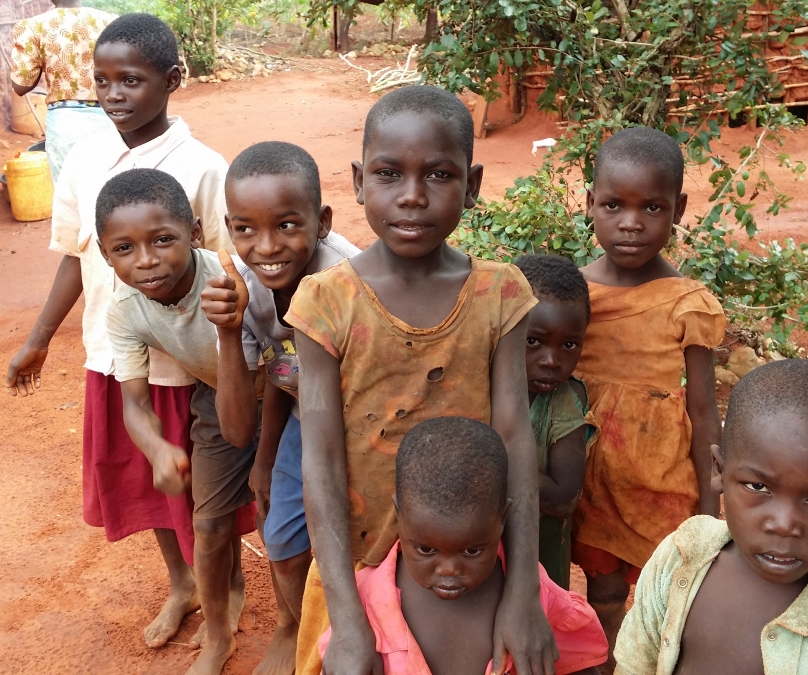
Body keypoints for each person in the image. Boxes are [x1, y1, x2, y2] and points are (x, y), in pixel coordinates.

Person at [285, 85, 557, 675]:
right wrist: (347, 618)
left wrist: (522, 594)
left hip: (470, 565)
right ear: (359, 181)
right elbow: (321, 459)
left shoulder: (499, 294)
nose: (412, 195)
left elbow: (515, 439)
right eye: (388, 174)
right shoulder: (325, 303)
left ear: (473, 184)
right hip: (357, 566)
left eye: (438, 174)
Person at [3, 12, 233, 654]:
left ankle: (225, 591)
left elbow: (229, 263)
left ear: (172, 80)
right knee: (146, 475)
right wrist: (40, 338)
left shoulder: (203, 168)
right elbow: (75, 255)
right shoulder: (82, 158)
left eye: (130, 80)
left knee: (206, 489)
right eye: (102, 81)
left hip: (188, 362)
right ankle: (183, 583)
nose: (113, 95)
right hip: (114, 354)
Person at [615, 360, 808, 674]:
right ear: (719, 471)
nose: (784, 524)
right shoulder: (680, 556)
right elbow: (634, 665)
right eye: (758, 486)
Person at [572, 126, 726, 670]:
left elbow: (704, 413)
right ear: (590, 203)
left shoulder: (687, 303)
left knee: (671, 590)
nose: (631, 223)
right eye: (613, 205)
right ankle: (604, 659)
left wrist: (711, 515)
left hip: (657, 479)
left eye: (652, 207)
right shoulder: (573, 296)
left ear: (678, 209)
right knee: (603, 589)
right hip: (585, 477)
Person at [204, 140, 360, 675]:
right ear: (229, 228)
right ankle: (294, 626)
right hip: (300, 420)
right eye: (245, 229)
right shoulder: (243, 289)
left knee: (363, 540)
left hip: (366, 425)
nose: (266, 246)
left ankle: (357, 633)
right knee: (284, 544)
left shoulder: (352, 280)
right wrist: (229, 334)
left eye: (287, 225)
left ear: (323, 222)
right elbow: (248, 414)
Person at [98, 168, 258, 675]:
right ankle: (218, 634)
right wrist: (157, 449)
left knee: (294, 514)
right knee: (207, 523)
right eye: (124, 249)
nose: (146, 260)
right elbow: (134, 404)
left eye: (162, 240)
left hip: (286, 391)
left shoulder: (234, 277)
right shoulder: (125, 311)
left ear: (194, 233)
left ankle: (295, 626)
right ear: (104, 254)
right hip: (218, 398)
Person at [317, 417, 608, 675]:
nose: (449, 570)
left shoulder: (538, 601)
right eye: (426, 550)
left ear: (502, 518)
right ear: (399, 515)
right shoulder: (363, 607)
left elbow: (579, 665)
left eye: (471, 551)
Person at [513, 254, 597, 590]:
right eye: (533, 341)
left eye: (569, 345)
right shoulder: (474, 386)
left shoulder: (564, 401)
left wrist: (487, 465)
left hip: (541, 567)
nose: (551, 360)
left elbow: (563, 498)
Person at [9, 0, 117, 181]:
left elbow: (21, 85)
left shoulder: (34, 26)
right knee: (110, 188)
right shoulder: (109, 22)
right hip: (109, 116)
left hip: (64, 122)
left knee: (68, 191)